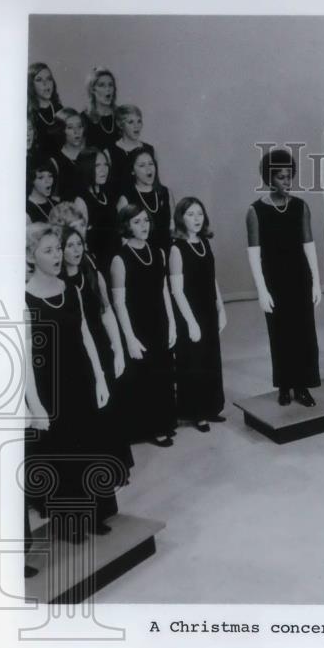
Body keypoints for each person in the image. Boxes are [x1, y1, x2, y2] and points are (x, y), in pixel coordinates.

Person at [25, 223, 117, 542]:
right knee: (62, 452)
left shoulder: (69, 288)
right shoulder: (24, 300)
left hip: (80, 378)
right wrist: (35, 405)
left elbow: (85, 335)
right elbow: (24, 360)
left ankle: (94, 514)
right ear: (31, 256)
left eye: (58, 249)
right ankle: (69, 522)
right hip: (50, 387)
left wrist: (100, 379)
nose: (57, 255)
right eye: (48, 250)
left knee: (88, 444)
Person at [59, 220, 134, 486]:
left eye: (79, 244)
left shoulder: (92, 272)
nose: (76, 250)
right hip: (75, 352)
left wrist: (118, 350)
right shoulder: (57, 282)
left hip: (99, 345)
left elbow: (106, 312)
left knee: (109, 408)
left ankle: (116, 467)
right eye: (69, 245)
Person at [246, 149, 322, 406]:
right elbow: (254, 255)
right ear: (269, 178)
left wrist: (317, 282)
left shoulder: (301, 206)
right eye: (281, 177)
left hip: (300, 279)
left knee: (304, 334)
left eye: (290, 176)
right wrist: (262, 290)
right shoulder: (255, 211)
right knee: (279, 335)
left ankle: (302, 386)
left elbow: (309, 245)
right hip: (274, 282)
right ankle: (284, 386)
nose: (287, 182)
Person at [110, 204, 178, 446]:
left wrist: (171, 324)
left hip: (159, 320)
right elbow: (119, 304)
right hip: (138, 326)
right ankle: (152, 428)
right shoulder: (120, 259)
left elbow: (163, 290)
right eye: (137, 222)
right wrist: (129, 338)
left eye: (146, 220)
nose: (144, 226)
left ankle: (166, 422)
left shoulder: (157, 252)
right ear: (126, 225)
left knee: (164, 374)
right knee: (145, 378)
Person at [169, 198, 226, 430]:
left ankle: (211, 407)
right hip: (189, 314)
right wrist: (191, 323)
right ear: (181, 218)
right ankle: (197, 412)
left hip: (208, 310)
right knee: (194, 363)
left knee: (211, 360)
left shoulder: (204, 242)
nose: (196, 219)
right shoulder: (176, 248)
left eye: (199, 214)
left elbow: (212, 279)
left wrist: (221, 308)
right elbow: (176, 290)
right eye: (191, 214)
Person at [116, 147, 174, 260]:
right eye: (142, 165)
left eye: (150, 163)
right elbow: (124, 238)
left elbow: (173, 228)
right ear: (132, 170)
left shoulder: (166, 193)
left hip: (167, 254)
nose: (148, 169)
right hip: (141, 257)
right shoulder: (126, 198)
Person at [74, 148, 121, 277]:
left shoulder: (107, 194)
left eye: (105, 165)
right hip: (99, 264)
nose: (103, 170)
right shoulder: (81, 200)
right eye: (97, 166)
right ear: (86, 168)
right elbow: (81, 241)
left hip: (115, 259)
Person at [109, 105, 159, 194]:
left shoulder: (149, 149)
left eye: (139, 121)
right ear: (120, 124)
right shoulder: (110, 152)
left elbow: (156, 182)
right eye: (131, 122)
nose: (136, 126)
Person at [51, 108, 90, 202]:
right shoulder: (55, 161)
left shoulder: (92, 154)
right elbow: (54, 198)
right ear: (61, 130)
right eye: (70, 127)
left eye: (79, 126)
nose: (76, 132)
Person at [28, 62, 65, 154]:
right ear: (31, 85)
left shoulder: (59, 109)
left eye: (49, 79)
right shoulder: (28, 113)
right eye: (39, 80)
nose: (46, 83)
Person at [81, 66, 120, 153]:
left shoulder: (121, 115)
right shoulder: (83, 119)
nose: (108, 89)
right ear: (92, 90)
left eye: (111, 85)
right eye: (102, 85)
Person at [26, 156, 59, 224]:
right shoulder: (26, 209)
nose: (48, 181)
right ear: (31, 180)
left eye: (50, 176)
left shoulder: (56, 204)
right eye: (41, 177)